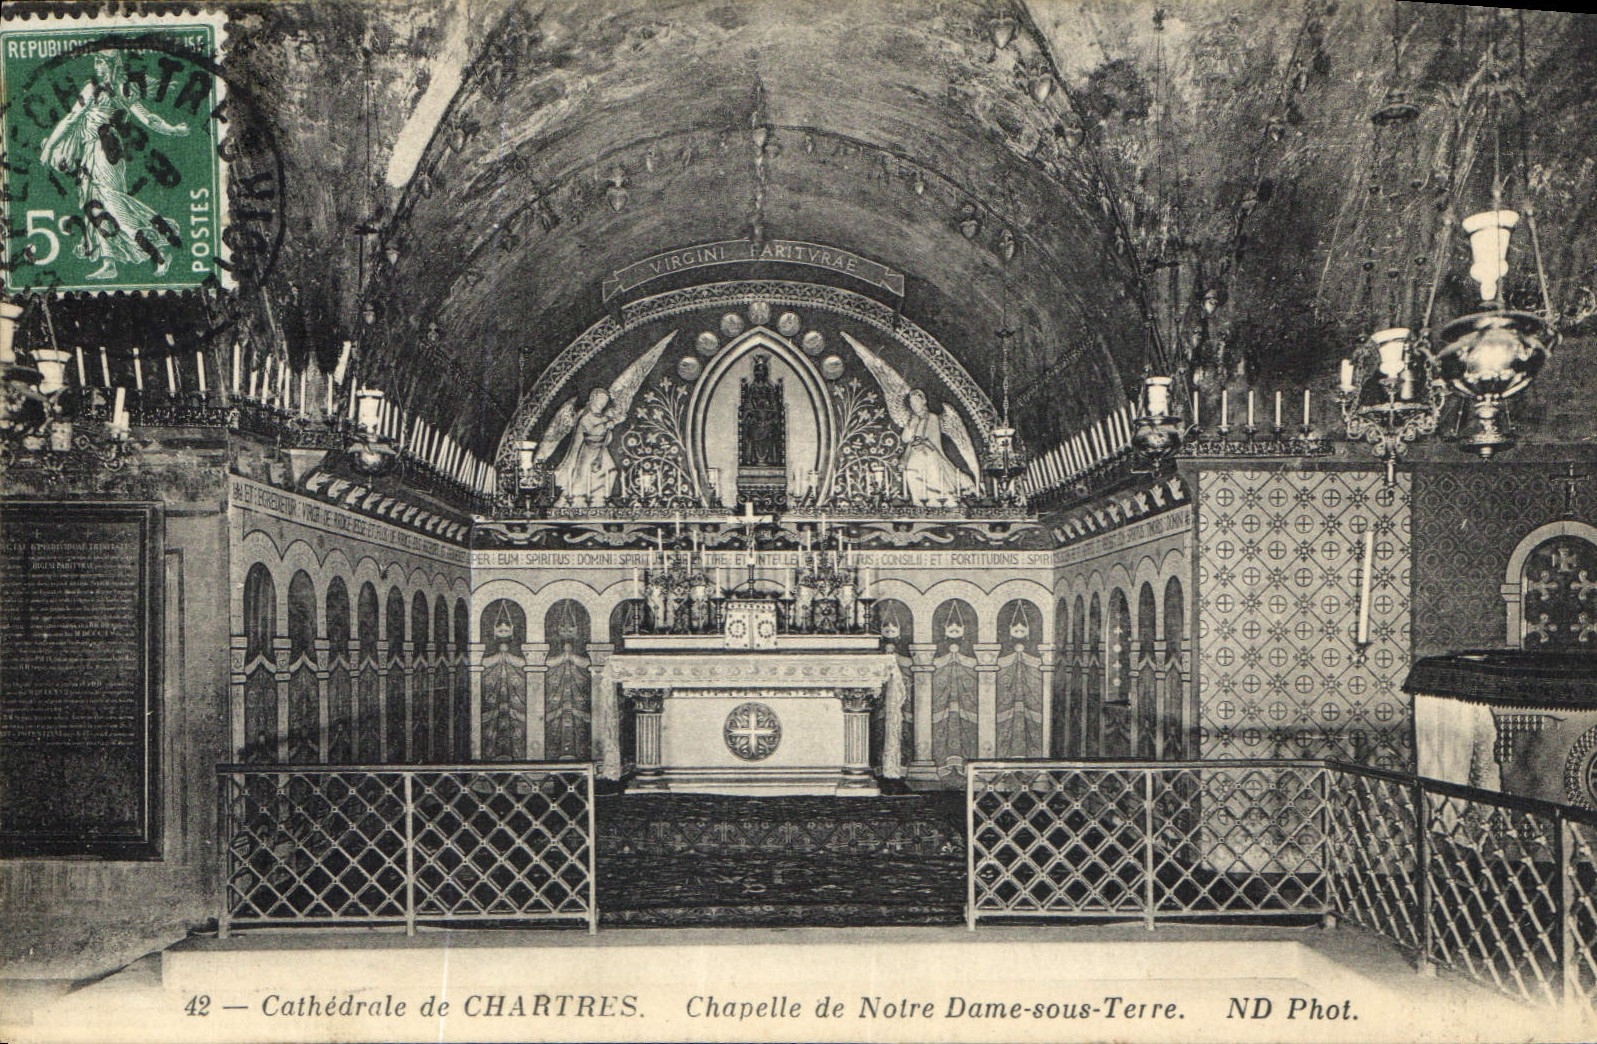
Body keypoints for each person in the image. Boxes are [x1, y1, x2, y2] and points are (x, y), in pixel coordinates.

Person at [39, 53, 190, 281]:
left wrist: (173, 130)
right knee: (94, 207)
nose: (97, 66)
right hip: (91, 153)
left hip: (105, 152)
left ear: (113, 65)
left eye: (101, 62)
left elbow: (147, 118)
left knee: (115, 208)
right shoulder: (92, 88)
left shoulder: (120, 88)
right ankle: (110, 262)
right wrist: (50, 147)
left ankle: (158, 255)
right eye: (96, 62)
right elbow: (72, 118)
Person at [552, 387, 625, 504]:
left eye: (605, 400)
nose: (603, 402)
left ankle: (600, 501)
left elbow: (607, 438)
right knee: (584, 479)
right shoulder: (585, 415)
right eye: (601, 398)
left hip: (601, 451)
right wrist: (606, 426)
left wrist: (610, 426)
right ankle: (578, 503)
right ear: (593, 398)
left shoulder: (604, 417)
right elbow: (591, 430)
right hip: (588, 451)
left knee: (612, 471)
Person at [900, 389, 974, 504]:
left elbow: (931, 438)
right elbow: (905, 439)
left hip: (930, 453)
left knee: (935, 479)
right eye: (911, 403)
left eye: (916, 401)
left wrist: (920, 441)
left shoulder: (932, 417)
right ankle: (919, 504)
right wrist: (911, 426)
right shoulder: (912, 420)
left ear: (923, 401)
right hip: (915, 453)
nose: (914, 405)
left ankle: (944, 504)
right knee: (911, 472)